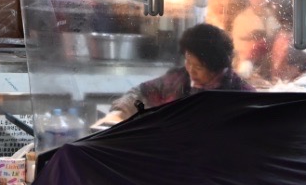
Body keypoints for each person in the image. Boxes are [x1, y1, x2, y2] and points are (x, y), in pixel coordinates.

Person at [101, 23, 250, 124]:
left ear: (215, 67)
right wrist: (119, 113)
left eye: (197, 67)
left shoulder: (238, 92)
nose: (190, 69)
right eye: (188, 61)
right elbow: (140, 94)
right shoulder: (178, 80)